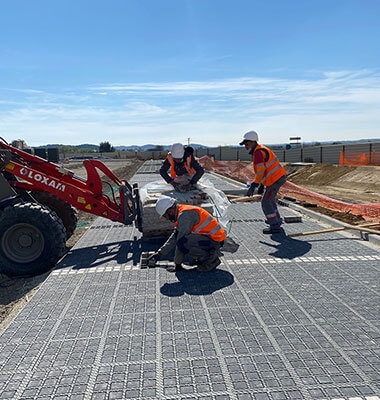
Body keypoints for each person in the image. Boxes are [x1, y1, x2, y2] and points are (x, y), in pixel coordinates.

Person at [148, 197, 226, 272]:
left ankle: (211, 260)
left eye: (165, 216)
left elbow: (180, 240)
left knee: (184, 242)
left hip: (216, 240)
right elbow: (175, 236)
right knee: (184, 241)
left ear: (170, 211)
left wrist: (177, 264)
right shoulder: (181, 211)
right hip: (211, 238)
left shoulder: (184, 216)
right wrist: (159, 254)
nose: (167, 219)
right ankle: (206, 255)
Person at [240, 130, 287, 234]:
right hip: (276, 178)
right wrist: (261, 184)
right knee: (269, 200)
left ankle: (274, 225)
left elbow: (260, 170)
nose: (246, 146)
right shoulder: (260, 150)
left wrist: (255, 184)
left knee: (266, 202)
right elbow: (265, 170)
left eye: (247, 143)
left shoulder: (258, 153)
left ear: (253, 142)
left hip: (275, 179)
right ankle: (276, 220)